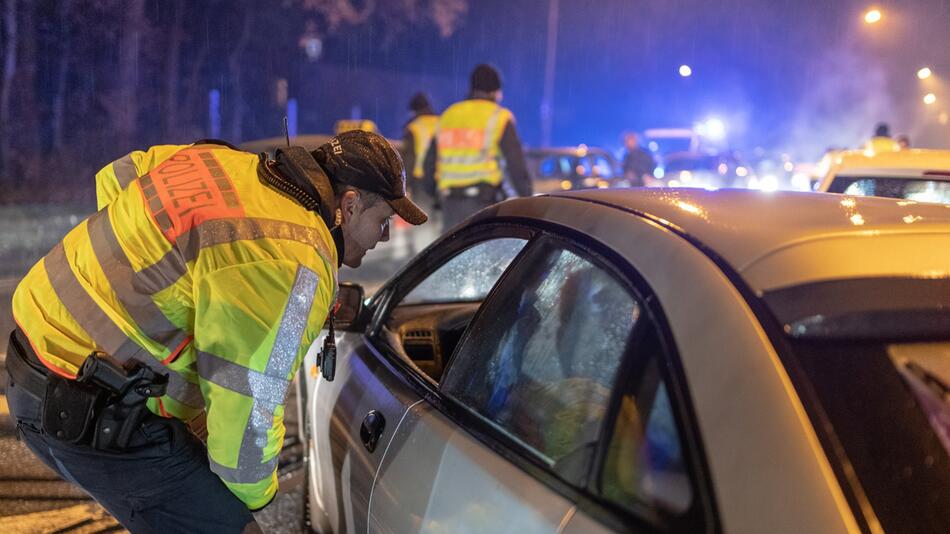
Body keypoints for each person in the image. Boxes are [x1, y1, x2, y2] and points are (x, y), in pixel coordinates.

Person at [5, 131, 426, 532]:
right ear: (349, 205)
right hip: (86, 405)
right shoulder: (294, 261)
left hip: (36, 345)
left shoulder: (224, 163)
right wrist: (257, 496)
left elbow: (121, 174)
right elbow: (246, 415)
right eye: (383, 220)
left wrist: (138, 268)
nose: (384, 238)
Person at [424, 64, 532, 231]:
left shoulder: (448, 115)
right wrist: (528, 200)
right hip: (483, 204)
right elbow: (516, 164)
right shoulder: (498, 116)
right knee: (485, 254)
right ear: (495, 91)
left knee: (453, 252)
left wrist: (433, 194)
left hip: (450, 204)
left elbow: (429, 162)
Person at [401, 92, 441, 253]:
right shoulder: (441, 122)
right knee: (440, 222)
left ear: (413, 110)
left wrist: (405, 185)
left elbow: (409, 159)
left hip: (421, 181)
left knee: (423, 222)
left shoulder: (413, 127)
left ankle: (424, 257)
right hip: (442, 178)